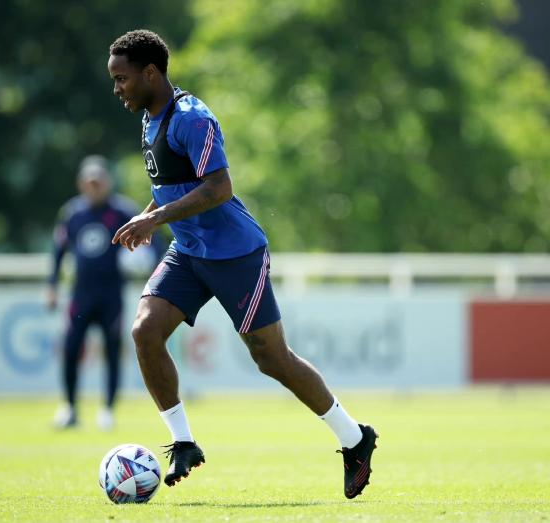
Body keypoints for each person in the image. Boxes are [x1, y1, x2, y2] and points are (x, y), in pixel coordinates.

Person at [107, 30, 378, 498]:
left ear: (150, 73)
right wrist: (150, 216)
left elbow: (219, 188)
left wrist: (155, 219)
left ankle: (355, 438)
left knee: (271, 359)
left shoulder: (192, 118)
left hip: (235, 255)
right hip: (188, 252)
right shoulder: (150, 119)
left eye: (122, 79)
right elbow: (172, 186)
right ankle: (183, 441)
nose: (117, 89)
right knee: (145, 331)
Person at [47, 155, 147, 431]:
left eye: (98, 182)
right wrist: (52, 285)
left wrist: (145, 263)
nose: (94, 187)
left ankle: (108, 409)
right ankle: (69, 407)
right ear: (81, 184)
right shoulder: (73, 213)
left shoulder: (123, 212)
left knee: (112, 350)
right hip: (81, 294)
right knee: (71, 348)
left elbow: (150, 247)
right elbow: (59, 251)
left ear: (108, 182)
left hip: (111, 293)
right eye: (89, 183)